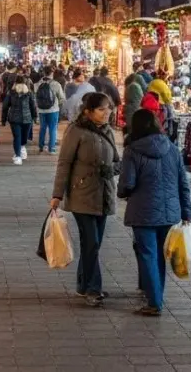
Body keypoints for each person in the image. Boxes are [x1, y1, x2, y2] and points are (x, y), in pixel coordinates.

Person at [117, 110, 191, 316]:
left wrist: (122, 192)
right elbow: (182, 183)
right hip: (169, 212)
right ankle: (156, 296)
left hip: (143, 211)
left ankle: (154, 302)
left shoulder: (132, 151)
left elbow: (127, 183)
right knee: (159, 255)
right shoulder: (172, 149)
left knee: (148, 255)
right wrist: (186, 211)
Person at [50, 92, 120, 307]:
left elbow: (117, 160)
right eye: (101, 109)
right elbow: (64, 163)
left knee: (93, 243)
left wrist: (113, 169)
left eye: (108, 108)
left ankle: (83, 284)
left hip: (104, 194)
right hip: (82, 194)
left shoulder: (107, 131)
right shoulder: (76, 131)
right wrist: (57, 194)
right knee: (92, 242)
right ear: (88, 112)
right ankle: (93, 289)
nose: (107, 112)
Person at [4, 79, 37, 165]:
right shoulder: (29, 93)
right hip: (27, 119)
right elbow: (33, 107)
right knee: (21, 137)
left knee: (17, 137)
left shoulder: (11, 93)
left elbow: (5, 106)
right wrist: (35, 117)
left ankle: (19, 154)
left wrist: (3, 119)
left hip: (14, 119)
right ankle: (19, 153)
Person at [35, 67, 66, 154]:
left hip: (41, 110)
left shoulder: (37, 84)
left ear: (43, 73)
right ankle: (51, 148)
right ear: (52, 73)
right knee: (52, 129)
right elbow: (62, 98)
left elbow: (35, 97)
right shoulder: (56, 84)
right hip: (53, 110)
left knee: (42, 128)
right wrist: (56, 104)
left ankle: (41, 147)